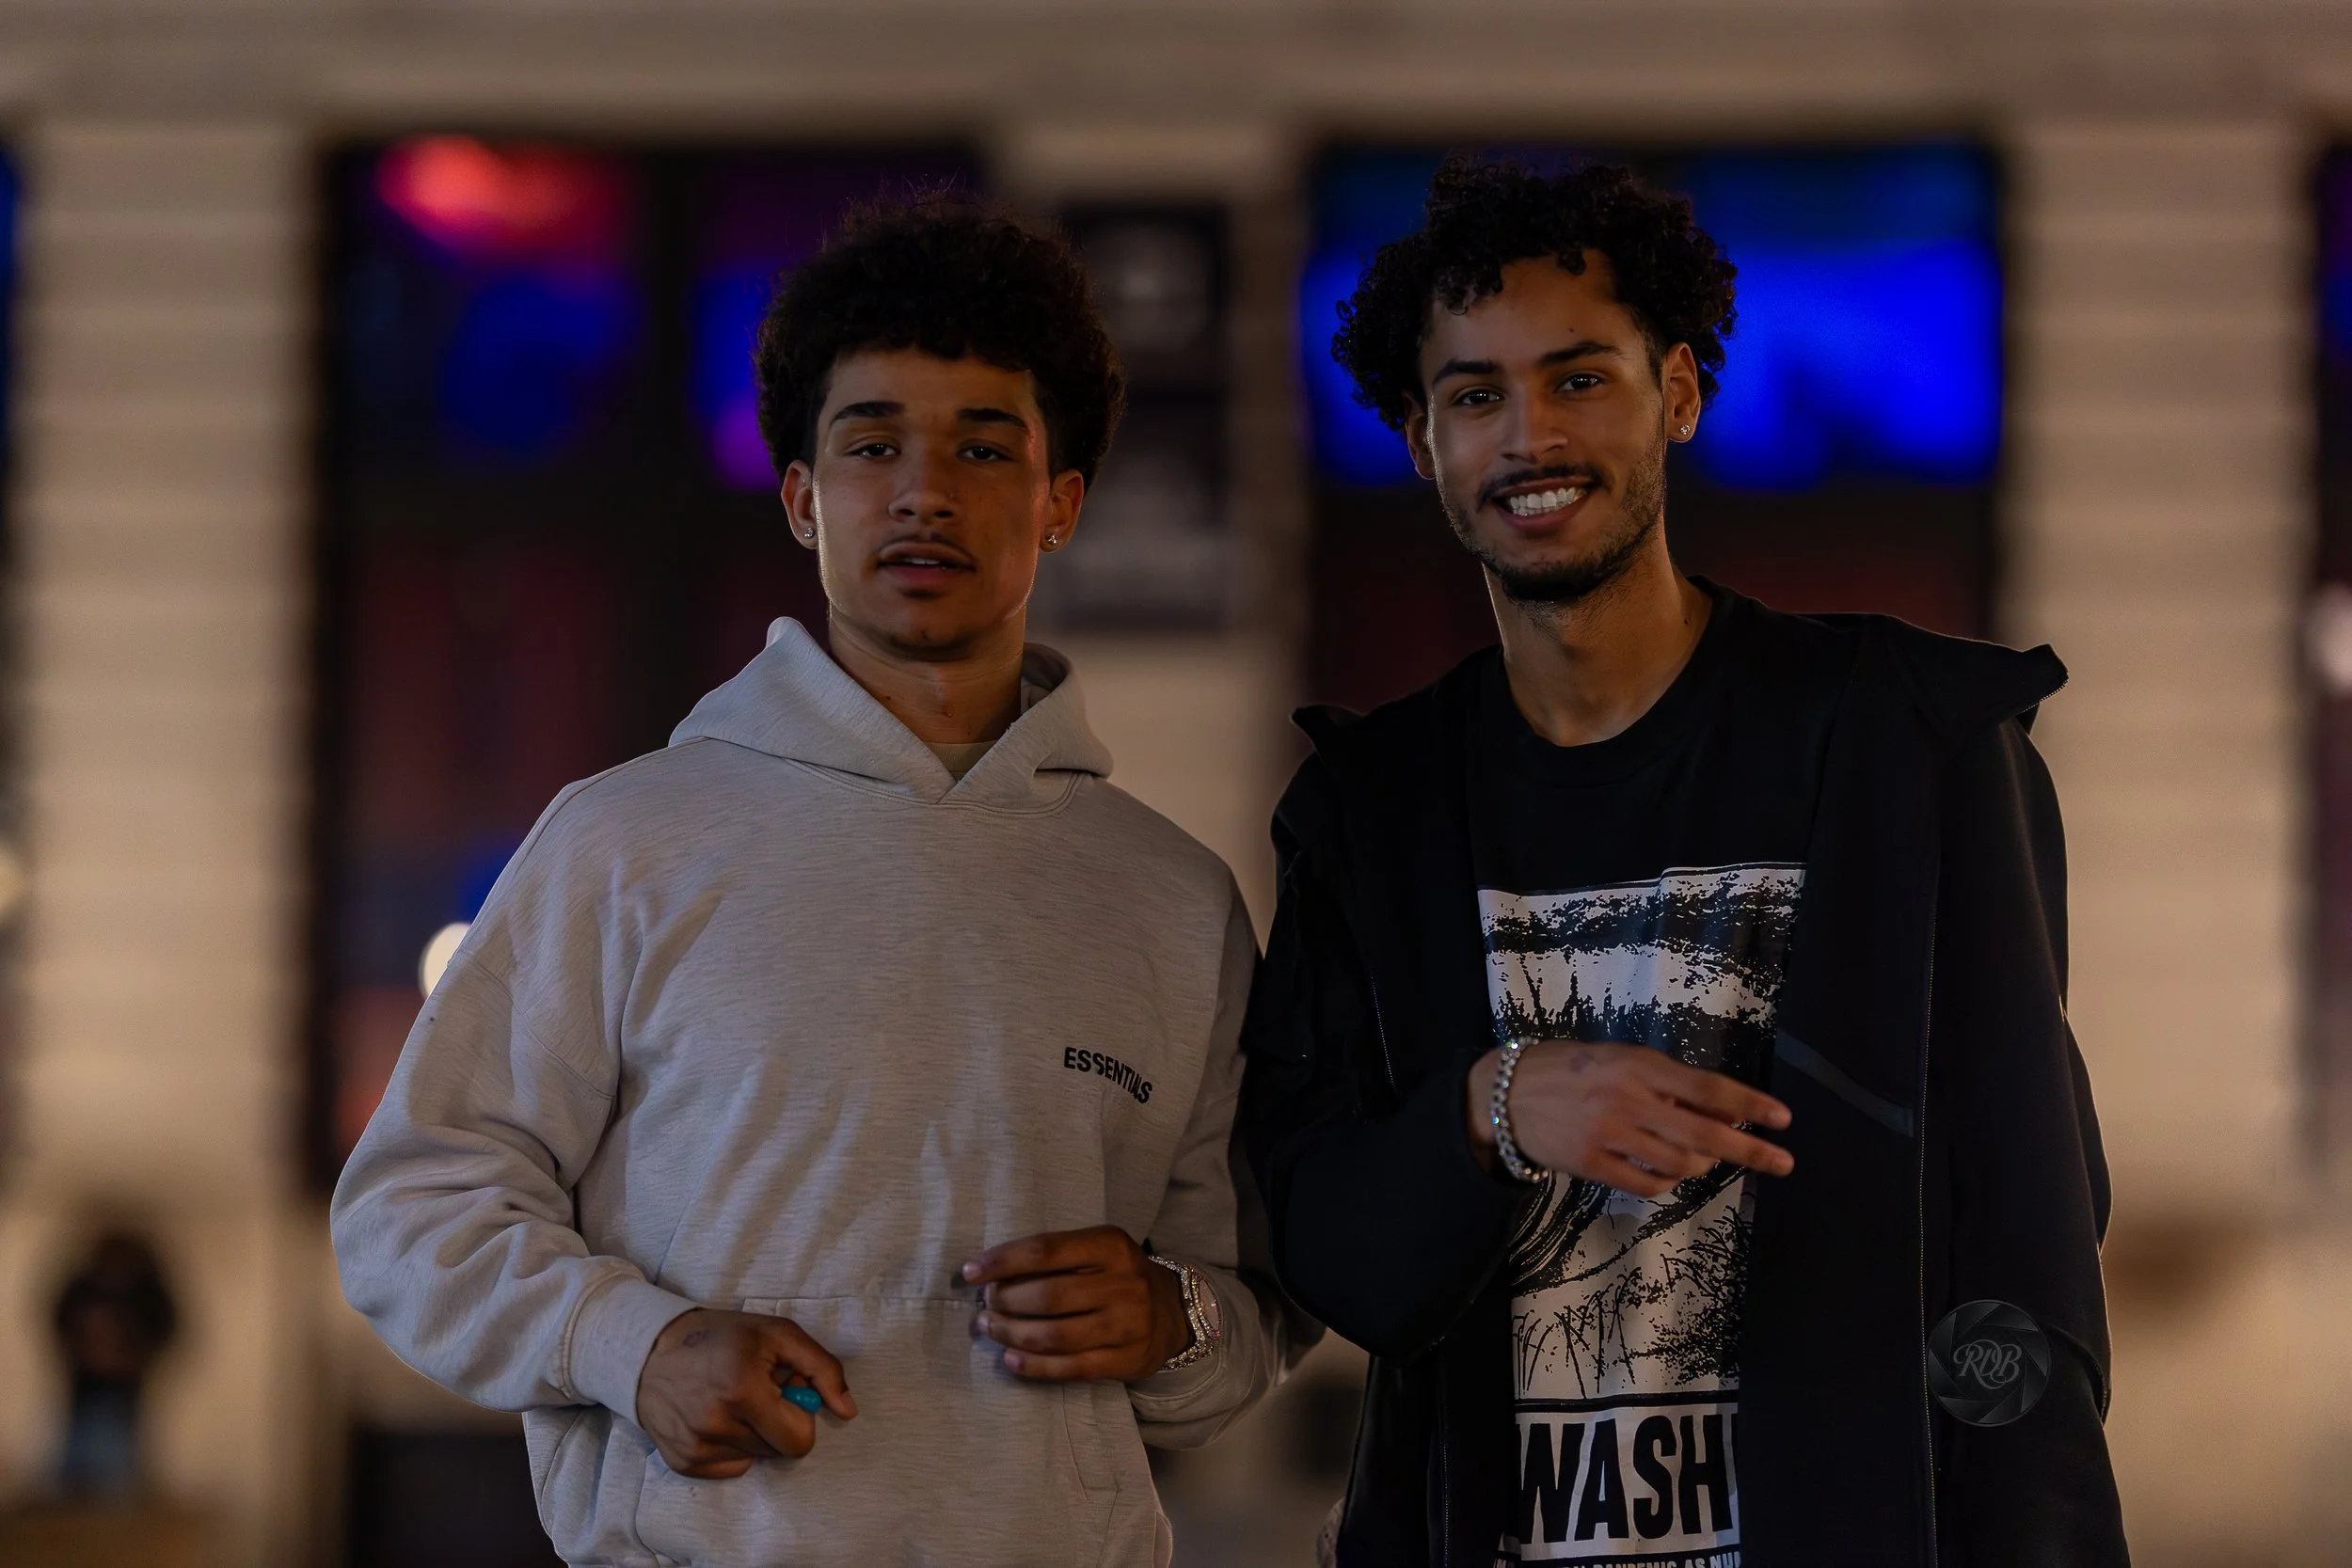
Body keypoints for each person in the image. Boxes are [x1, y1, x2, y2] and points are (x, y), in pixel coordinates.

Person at [332, 196, 1289, 1568]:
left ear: (1060, 504)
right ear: (800, 498)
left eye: (983, 448)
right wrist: (633, 1344)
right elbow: (409, 1205)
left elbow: (1249, 1315)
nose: (923, 492)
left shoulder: (1173, 900)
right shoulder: (627, 842)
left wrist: (1168, 1317)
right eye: (871, 444)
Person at [1242, 157, 2125, 1568]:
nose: (1530, 435)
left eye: (1580, 378)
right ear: (1420, 440)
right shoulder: (1370, 810)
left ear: (1679, 394)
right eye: (1474, 395)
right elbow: (1336, 1261)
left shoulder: (1908, 746)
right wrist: (1492, 1106)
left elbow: (2026, 1248)